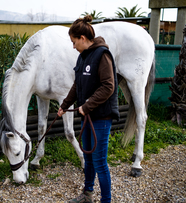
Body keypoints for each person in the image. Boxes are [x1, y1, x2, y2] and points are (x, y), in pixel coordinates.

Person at [57, 15, 120, 203]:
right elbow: (77, 85)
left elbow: (108, 86)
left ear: (82, 38)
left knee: (100, 162)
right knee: (89, 157)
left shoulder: (102, 55)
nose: (73, 46)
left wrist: (87, 105)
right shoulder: (82, 57)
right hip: (87, 116)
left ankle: (106, 200)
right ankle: (87, 194)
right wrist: (64, 105)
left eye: (74, 41)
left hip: (101, 116)